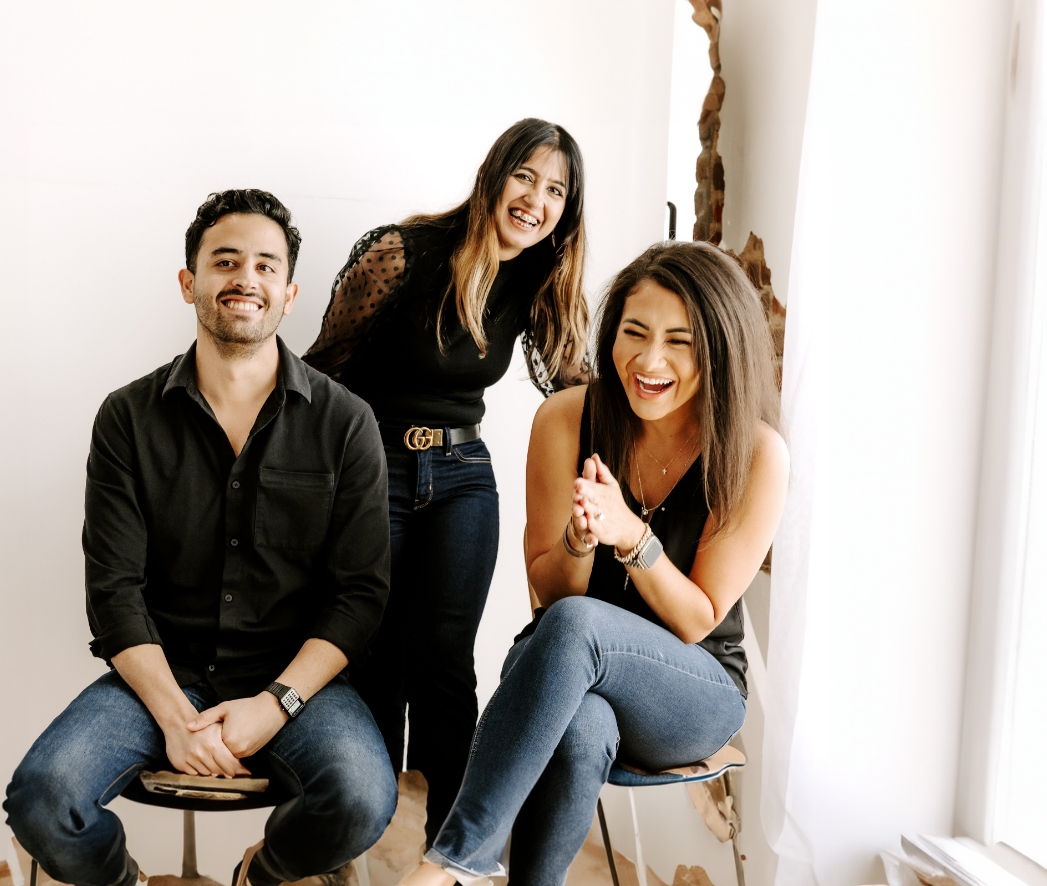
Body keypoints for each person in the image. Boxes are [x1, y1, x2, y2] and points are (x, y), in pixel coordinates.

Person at [4, 190, 398, 886]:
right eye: (225, 261)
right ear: (190, 283)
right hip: (162, 674)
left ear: (289, 290)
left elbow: (360, 596)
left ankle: (264, 873)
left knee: (362, 800)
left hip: (295, 679)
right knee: (43, 800)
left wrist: (274, 704)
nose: (245, 277)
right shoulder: (128, 417)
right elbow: (114, 591)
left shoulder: (346, 422)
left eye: (265, 265)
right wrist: (175, 716)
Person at [398, 240, 790, 885]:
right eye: (633, 332)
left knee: (580, 625)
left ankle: (449, 863)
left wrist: (631, 536)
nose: (650, 359)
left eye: (680, 341)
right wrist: (582, 538)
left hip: (690, 693)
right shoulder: (566, 418)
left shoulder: (754, 451)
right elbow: (548, 597)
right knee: (580, 724)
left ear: (721, 348)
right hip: (570, 674)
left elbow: (697, 619)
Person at [302, 118, 590, 844]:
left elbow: (574, 388)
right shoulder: (402, 252)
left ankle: (451, 853)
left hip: (462, 476)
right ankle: (351, 839)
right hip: (374, 472)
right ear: (494, 174)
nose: (536, 199)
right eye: (525, 176)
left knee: (444, 665)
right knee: (371, 660)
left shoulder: (537, 278)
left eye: (555, 189)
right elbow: (320, 372)